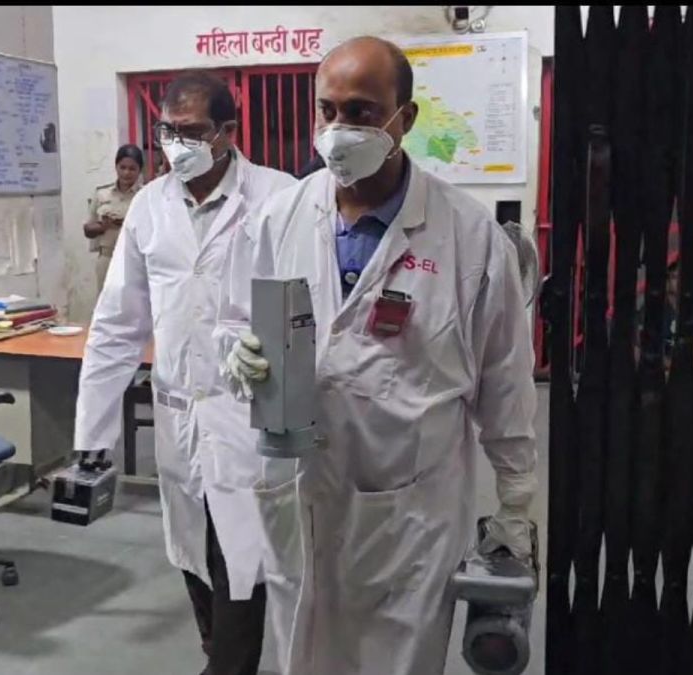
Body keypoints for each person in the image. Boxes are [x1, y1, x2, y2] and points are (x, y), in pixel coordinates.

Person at [217, 37, 538, 675]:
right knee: (303, 650)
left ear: (404, 118)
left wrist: (515, 506)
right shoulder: (279, 218)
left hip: (409, 515)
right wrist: (237, 358)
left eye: (361, 112)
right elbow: (234, 322)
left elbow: (506, 385)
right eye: (327, 110)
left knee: (397, 660)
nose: (338, 129)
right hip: (299, 487)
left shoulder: (469, 237)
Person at [74, 71, 296, 675]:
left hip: (251, 414)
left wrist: (291, 414)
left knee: (242, 561)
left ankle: (229, 665)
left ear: (228, 132)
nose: (176, 144)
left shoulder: (279, 197)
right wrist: (93, 434)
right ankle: (215, 654)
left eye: (192, 132)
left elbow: (304, 312)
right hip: (179, 414)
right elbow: (118, 323)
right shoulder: (150, 205)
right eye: (167, 131)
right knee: (193, 551)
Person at [85, 144, 144, 290]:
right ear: (116, 167)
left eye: (132, 169)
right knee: (105, 300)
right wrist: (105, 225)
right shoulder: (101, 194)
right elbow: (88, 229)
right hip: (107, 258)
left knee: (134, 300)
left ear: (139, 170)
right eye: (122, 167)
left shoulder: (145, 196)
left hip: (135, 260)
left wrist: (127, 223)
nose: (126, 173)